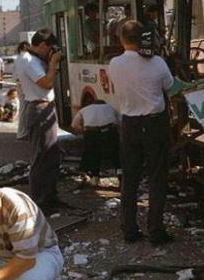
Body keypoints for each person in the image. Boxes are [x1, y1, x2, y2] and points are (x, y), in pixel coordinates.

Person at [107, 20, 175, 245]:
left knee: (130, 178)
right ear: (145, 38)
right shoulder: (157, 62)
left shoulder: (114, 64)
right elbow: (170, 87)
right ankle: (156, 230)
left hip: (129, 125)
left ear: (121, 40)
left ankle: (129, 229)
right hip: (155, 125)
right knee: (157, 177)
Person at [21, 28, 65, 214]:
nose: (50, 53)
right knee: (40, 157)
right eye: (49, 49)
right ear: (41, 45)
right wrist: (53, 63)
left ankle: (50, 196)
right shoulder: (28, 61)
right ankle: (40, 201)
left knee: (51, 155)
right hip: (38, 108)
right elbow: (46, 83)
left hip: (45, 107)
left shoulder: (35, 59)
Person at [70, 101, 120, 186]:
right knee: (116, 153)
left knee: (93, 154)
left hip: (92, 132)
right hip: (109, 130)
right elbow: (120, 122)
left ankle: (94, 178)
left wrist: (85, 131)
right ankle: (120, 174)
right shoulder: (110, 107)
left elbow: (74, 125)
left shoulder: (83, 110)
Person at [13, 41, 29, 140]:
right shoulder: (24, 58)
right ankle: (23, 132)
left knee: (24, 109)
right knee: (24, 109)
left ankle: (23, 132)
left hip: (20, 85)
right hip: (24, 86)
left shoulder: (17, 59)